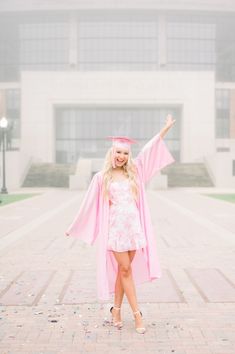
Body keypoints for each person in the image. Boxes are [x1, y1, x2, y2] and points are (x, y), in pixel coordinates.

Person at [65, 114, 176, 334]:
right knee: (125, 269)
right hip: (115, 231)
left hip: (133, 229)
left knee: (123, 273)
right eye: (118, 152)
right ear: (112, 153)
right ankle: (137, 315)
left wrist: (165, 129)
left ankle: (115, 310)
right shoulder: (102, 178)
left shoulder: (135, 173)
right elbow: (88, 205)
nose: (121, 156)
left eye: (125, 153)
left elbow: (149, 151)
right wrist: (74, 226)